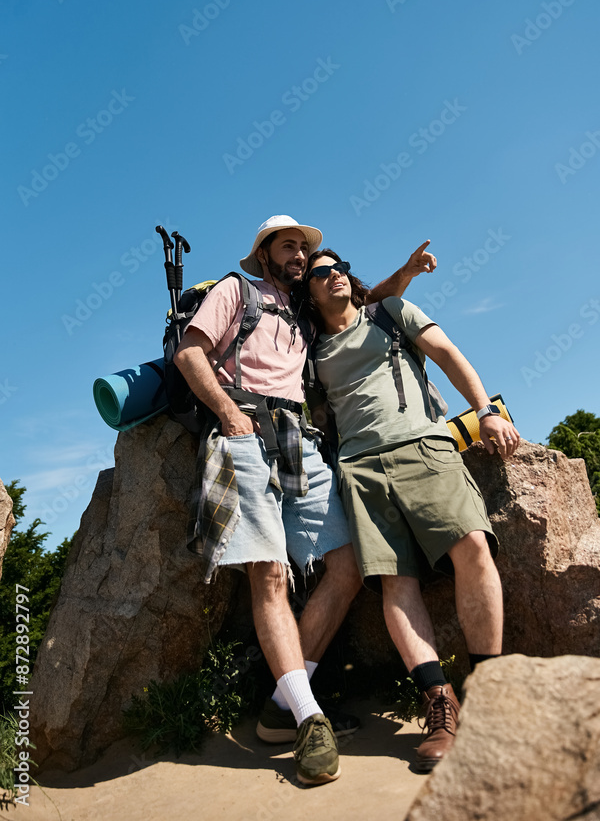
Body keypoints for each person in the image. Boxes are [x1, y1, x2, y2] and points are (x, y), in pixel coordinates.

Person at [174, 216, 436, 785]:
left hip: (302, 442)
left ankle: (279, 709)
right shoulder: (234, 290)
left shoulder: (301, 310)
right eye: (288, 246)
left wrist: (407, 274)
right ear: (264, 253)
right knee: (269, 575)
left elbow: (364, 301)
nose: (299, 254)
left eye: (304, 248)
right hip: (243, 432)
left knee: (345, 565)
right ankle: (311, 718)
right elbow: (190, 353)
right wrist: (228, 415)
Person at [302, 249, 521, 773]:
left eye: (338, 267)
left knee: (471, 547)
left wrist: (485, 412)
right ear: (307, 291)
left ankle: (487, 695)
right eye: (318, 272)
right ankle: (439, 704)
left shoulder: (390, 313)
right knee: (396, 581)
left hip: (423, 446)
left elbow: (447, 353)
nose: (332, 275)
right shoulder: (310, 349)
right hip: (359, 468)